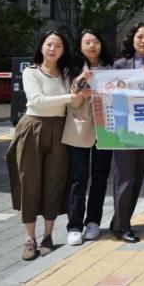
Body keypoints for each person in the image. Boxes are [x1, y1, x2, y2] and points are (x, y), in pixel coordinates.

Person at [6, 30, 86, 260]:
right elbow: (37, 100)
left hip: (60, 129)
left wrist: (79, 92)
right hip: (33, 127)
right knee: (30, 182)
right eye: (49, 44)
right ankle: (30, 239)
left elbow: (75, 102)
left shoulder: (66, 74)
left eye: (58, 46)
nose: (53, 49)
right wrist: (70, 97)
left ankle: (48, 236)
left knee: (55, 182)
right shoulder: (31, 72)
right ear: (41, 47)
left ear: (63, 50)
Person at [110, 22, 144, 243]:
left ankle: (119, 221)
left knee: (137, 178)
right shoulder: (119, 65)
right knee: (124, 179)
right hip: (123, 129)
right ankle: (122, 226)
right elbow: (108, 93)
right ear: (132, 40)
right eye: (140, 36)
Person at [62, 30, 113, 246]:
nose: (92, 45)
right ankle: (74, 226)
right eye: (87, 42)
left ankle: (93, 221)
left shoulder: (110, 68)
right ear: (80, 47)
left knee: (100, 177)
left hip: (105, 129)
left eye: (95, 41)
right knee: (78, 178)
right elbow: (72, 103)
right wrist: (80, 83)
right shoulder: (72, 69)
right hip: (79, 129)